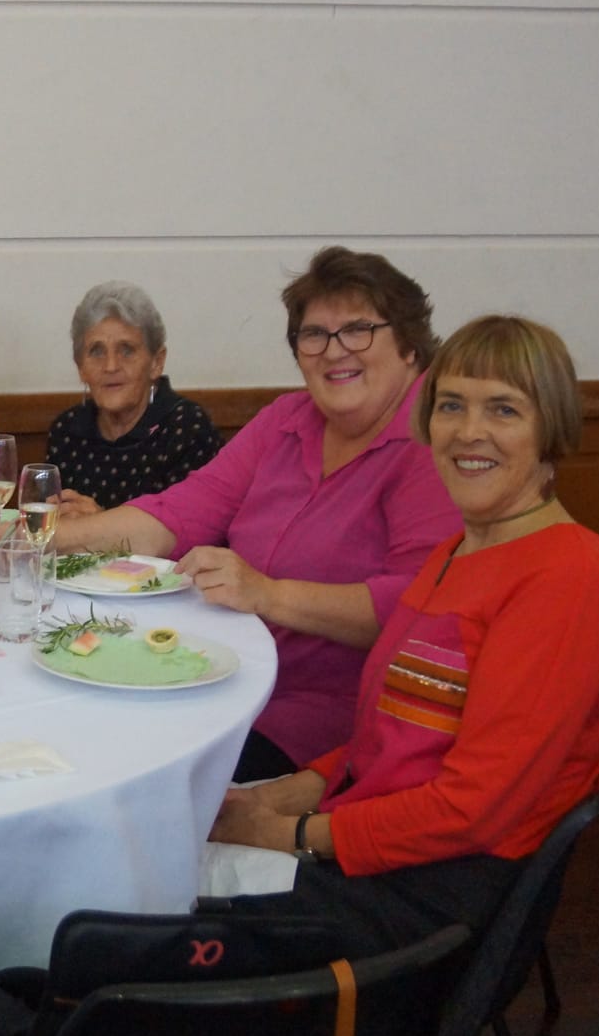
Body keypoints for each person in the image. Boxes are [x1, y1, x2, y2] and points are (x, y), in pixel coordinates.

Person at [204, 315, 599, 956]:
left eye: (504, 410)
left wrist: (289, 832)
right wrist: (268, 798)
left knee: (129, 904)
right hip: (376, 839)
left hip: (424, 906)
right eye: (452, 406)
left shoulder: (566, 579)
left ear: (550, 427)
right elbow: (383, 738)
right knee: (159, 839)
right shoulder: (458, 550)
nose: (469, 431)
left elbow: (470, 811)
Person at [52, 247, 460, 779]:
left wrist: (268, 593)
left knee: (131, 775)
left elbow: (413, 606)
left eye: (358, 329)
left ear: (408, 344)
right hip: (222, 675)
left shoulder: (434, 440)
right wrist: (37, 538)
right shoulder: (287, 420)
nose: (335, 351)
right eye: (314, 334)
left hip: (327, 717)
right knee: (84, 735)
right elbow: (177, 512)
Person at [45, 280, 223, 516]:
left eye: (126, 350)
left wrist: (99, 525)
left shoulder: (186, 429)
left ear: (156, 362)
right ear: (81, 367)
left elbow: (194, 529)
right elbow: (45, 529)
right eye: (96, 351)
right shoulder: (66, 432)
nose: (110, 366)